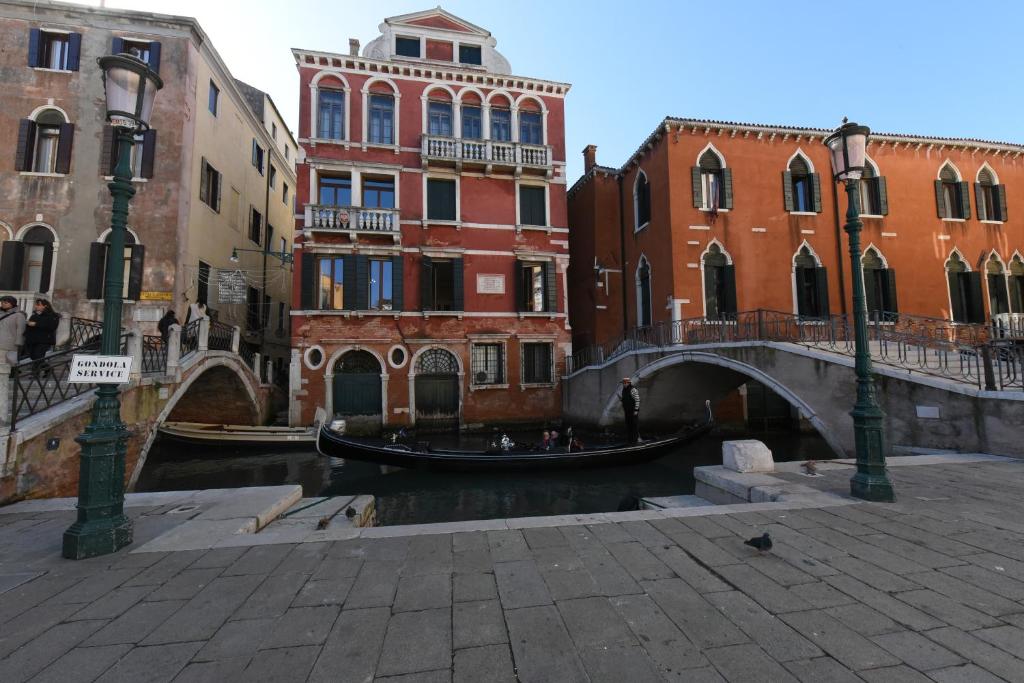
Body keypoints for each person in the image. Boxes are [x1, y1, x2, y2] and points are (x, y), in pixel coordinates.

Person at [24, 299, 59, 376]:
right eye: (36, 304)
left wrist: (36, 324)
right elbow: (30, 327)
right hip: (33, 340)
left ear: (45, 306)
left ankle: (35, 374)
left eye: (39, 305)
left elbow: (52, 326)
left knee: (38, 356)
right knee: (34, 356)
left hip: (44, 340)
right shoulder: (34, 315)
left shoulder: (53, 316)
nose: (36, 306)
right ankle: (48, 369)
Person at [0, 296, 27, 365]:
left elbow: (21, 330)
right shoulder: (1, 314)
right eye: (2, 302)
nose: (3, 304)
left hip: (9, 344)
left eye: (5, 302)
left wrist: (19, 343)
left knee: (5, 363)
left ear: (12, 304)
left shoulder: (19, 315)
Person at [620, 377, 641, 444]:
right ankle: (630, 440)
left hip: (633, 411)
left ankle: (636, 440)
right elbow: (626, 399)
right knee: (628, 425)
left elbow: (637, 400)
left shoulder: (633, 390)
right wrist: (622, 400)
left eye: (624, 383)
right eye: (623, 383)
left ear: (628, 383)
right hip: (627, 411)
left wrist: (636, 410)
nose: (623, 384)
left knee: (634, 426)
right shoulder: (624, 390)